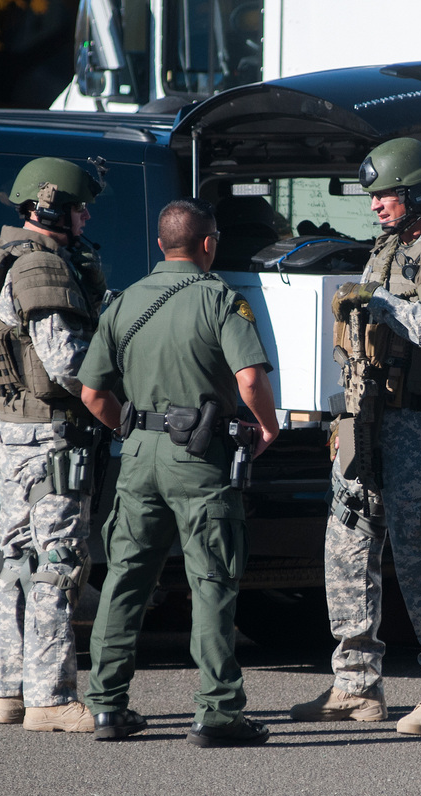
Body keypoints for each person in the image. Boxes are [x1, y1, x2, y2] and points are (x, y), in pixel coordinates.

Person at [288, 138, 421, 736]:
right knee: (345, 545)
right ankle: (355, 685)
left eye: (386, 196)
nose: (376, 207)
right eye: (373, 197)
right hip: (368, 420)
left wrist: (380, 300)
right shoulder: (392, 246)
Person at [78, 198, 279, 747]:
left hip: (139, 455)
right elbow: (250, 382)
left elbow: (92, 393)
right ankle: (217, 713)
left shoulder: (122, 304)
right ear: (208, 243)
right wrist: (268, 428)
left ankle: (107, 708)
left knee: (125, 580)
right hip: (200, 457)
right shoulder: (219, 300)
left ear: (161, 245)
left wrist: (133, 431)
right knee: (212, 581)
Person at [0, 156, 107, 732]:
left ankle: (10, 692)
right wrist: (114, 402)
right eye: (77, 206)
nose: (85, 215)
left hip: (13, 431)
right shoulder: (41, 267)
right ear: (48, 208)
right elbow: (67, 363)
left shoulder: (5, 258)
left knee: (16, 559)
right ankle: (50, 697)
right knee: (57, 562)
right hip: (50, 434)